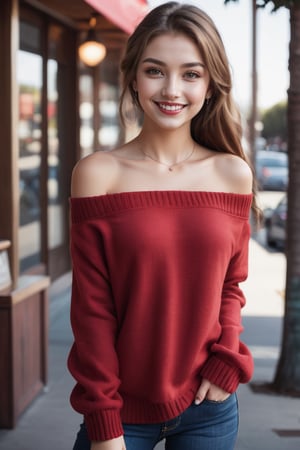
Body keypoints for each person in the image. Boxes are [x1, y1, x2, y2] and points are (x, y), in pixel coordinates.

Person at [68, 2, 260, 449]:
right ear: (133, 76)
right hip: (120, 413)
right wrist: (103, 423)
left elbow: (230, 285)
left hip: (209, 407)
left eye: (191, 74)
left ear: (211, 85)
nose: (172, 89)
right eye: (156, 70)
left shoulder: (233, 173)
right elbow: (92, 311)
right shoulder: (98, 174)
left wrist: (227, 360)